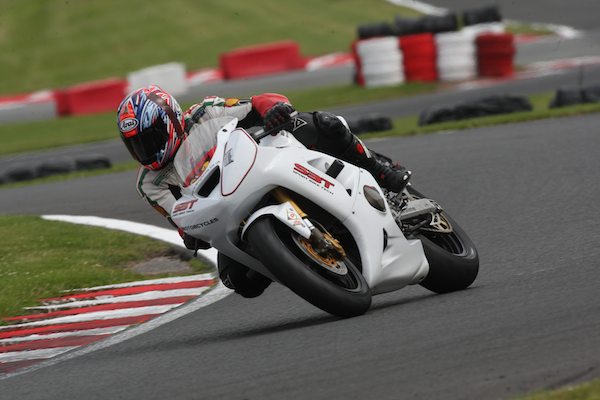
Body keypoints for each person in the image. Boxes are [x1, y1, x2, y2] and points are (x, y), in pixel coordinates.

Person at [117, 85, 410, 298]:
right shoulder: (150, 183)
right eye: (135, 145)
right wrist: (190, 234)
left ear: (170, 121)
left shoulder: (206, 113)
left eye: (149, 139)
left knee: (320, 124)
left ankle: (380, 170)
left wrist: (273, 110)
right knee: (237, 280)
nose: (144, 150)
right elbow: (179, 219)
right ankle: (300, 262)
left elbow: (259, 102)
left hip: (263, 167)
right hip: (227, 212)